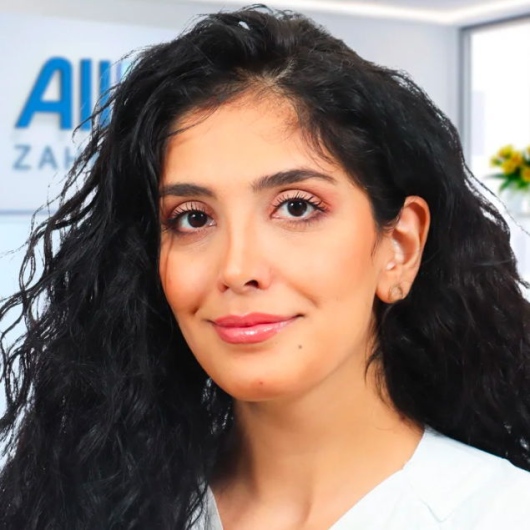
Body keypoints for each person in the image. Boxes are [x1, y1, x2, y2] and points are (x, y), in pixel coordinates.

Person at [1, 5, 530, 529]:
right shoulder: (94, 506)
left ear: (401, 247)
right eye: (192, 218)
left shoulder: (503, 513)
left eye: (297, 207)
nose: (237, 268)